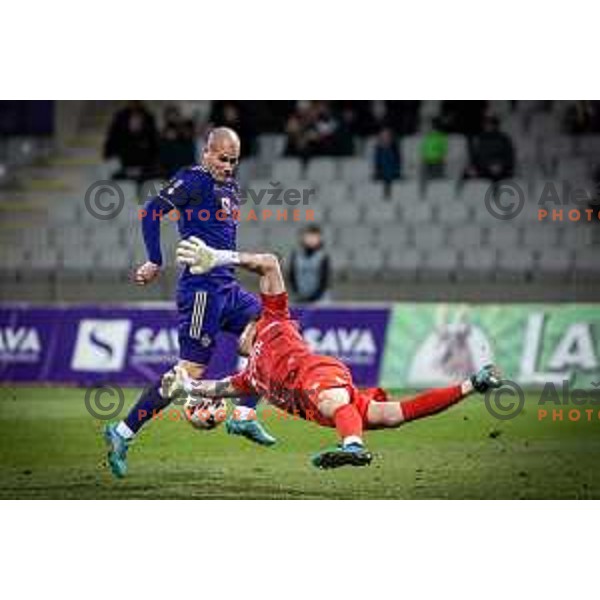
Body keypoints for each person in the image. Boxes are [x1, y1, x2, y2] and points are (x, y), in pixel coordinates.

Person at [172, 237, 504, 470]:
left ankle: (353, 448)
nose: (239, 333)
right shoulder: (251, 377)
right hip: (318, 403)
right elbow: (216, 388)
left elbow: (270, 263)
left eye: (244, 326)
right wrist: (185, 385)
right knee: (393, 415)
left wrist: (218, 258)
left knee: (335, 403)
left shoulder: (274, 320)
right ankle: (474, 383)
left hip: (316, 375)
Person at [103, 127, 276, 479]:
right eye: (223, 159)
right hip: (201, 291)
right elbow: (151, 212)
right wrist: (154, 259)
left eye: (234, 161)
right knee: (188, 373)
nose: (228, 166)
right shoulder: (193, 180)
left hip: (227, 286)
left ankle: (243, 416)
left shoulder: (229, 186)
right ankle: (122, 433)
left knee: (272, 328)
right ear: (207, 154)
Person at [464, 116, 514, 183]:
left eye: (491, 124)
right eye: (486, 124)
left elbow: (509, 156)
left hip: (500, 169)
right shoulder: (479, 138)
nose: (488, 126)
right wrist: (474, 167)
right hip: (483, 169)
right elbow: (475, 157)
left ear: (495, 125)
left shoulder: (503, 139)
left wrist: (501, 165)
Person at [288, 225, 331, 303]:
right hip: (299, 298)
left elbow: (324, 280)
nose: (311, 239)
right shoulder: (296, 255)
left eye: (314, 237)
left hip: (319, 300)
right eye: (309, 236)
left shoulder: (323, 256)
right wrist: (297, 293)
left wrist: (313, 298)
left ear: (319, 238)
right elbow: (292, 276)